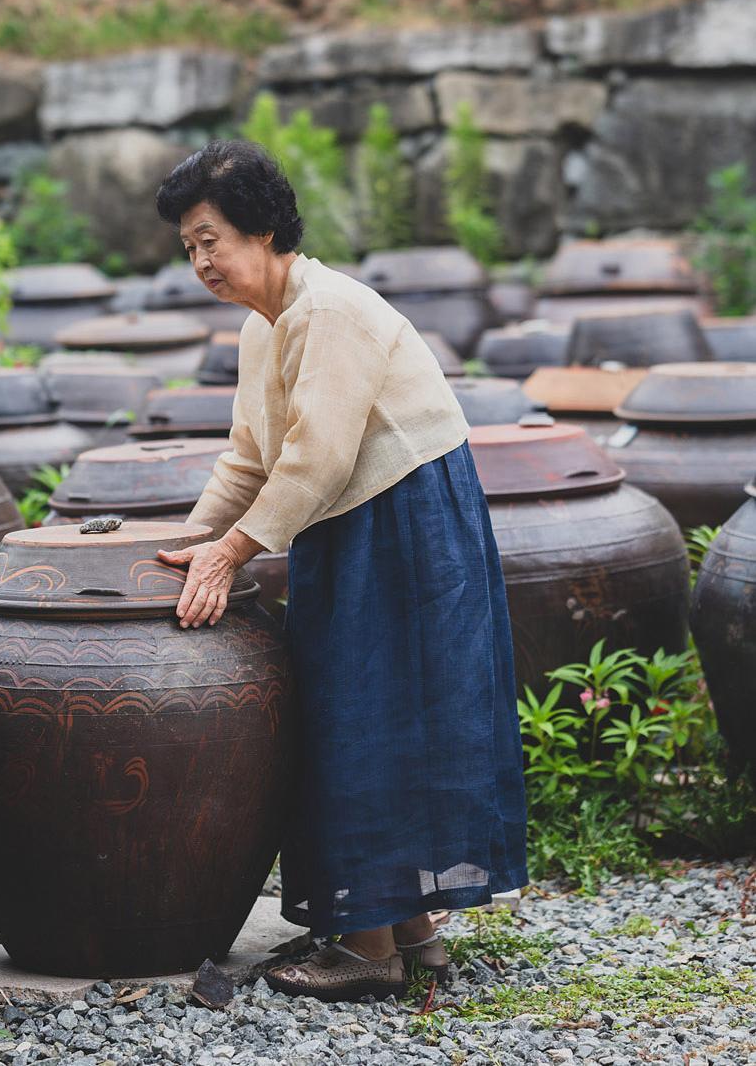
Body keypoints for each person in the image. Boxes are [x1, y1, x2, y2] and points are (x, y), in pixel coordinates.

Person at [154, 139, 527, 1003]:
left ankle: (366, 950)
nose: (200, 260)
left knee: (368, 715)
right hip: (352, 524)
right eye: (188, 247)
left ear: (262, 227)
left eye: (210, 238)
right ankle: (412, 928)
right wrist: (188, 541)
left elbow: (317, 459)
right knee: (362, 707)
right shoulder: (265, 327)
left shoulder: (331, 309)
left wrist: (236, 550)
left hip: (404, 522)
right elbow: (249, 461)